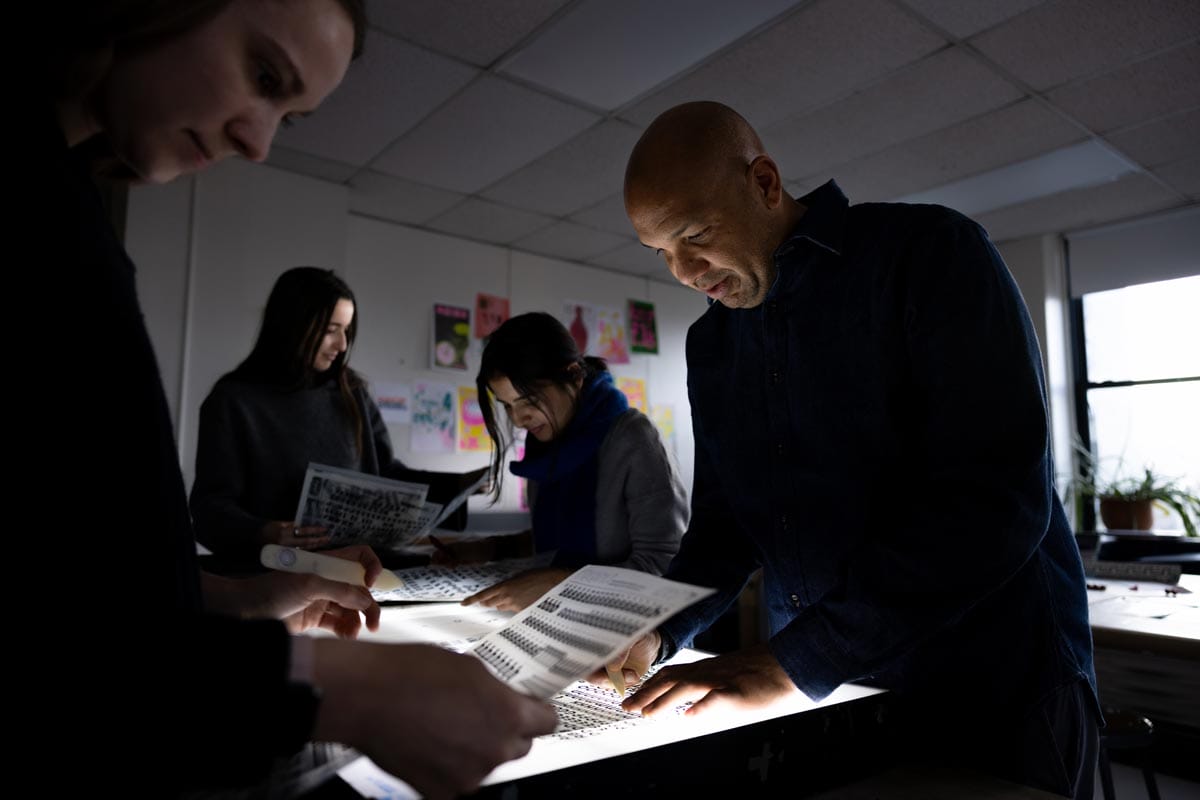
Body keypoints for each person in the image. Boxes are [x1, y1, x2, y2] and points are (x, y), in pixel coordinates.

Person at [23, 2, 555, 796]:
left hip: (267, 627)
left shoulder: (350, 395)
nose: (258, 141)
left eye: (289, 116)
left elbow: (117, 577)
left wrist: (240, 604)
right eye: (264, 75)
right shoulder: (232, 396)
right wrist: (332, 670)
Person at [600, 101, 1098, 798]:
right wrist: (655, 632)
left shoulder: (930, 255)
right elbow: (723, 528)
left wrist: (788, 663)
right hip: (829, 697)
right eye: (662, 254)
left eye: (695, 235)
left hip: (992, 689)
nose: (684, 271)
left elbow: (995, 506)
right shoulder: (711, 346)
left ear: (766, 183)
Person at [190, 266, 487, 560]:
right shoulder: (234, 400)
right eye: (331, 330)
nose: (342, 345)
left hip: (356, 570)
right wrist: (264, 532)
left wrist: (461, 484)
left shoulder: (351, 392)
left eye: (346, 331)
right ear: (291, 326)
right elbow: (209, 509)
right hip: (273, 577)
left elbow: (387, 476)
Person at [434, 312, 687, 611]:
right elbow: (552, 545)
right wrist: (486, 549)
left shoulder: (632, 438)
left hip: (632, 639)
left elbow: (665, 565)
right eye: (507, 406)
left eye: (529, 401)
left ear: (574, 376)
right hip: (557, 622)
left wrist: (558, 585)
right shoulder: (545, 449)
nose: (518, 420)